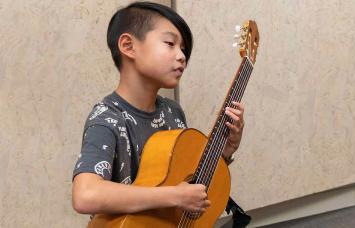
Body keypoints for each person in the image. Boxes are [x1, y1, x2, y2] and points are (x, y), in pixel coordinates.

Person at [72, 1, 245, 216]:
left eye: (183, 49)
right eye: (170, 43)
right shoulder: (107, 118)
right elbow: (85, 195)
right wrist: (175, 196)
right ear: (128, 46)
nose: (182, 56)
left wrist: (224, 152)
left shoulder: (173, 112)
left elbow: (191, 189)